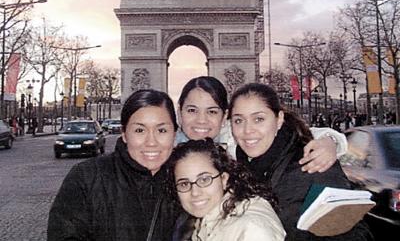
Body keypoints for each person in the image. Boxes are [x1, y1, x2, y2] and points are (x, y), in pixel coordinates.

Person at [229, 83, 374, 240]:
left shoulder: (315, 164)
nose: (247, 130)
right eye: (238, 121)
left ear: (279, 120)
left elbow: (356, 234)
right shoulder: (239, 168)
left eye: (258, 119)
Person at [47, 89, 180, 241]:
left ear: (174, 134)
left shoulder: (188, 183)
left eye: (162, 130)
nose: (151, 142)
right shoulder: (86, 178)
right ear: (124, 133)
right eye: (139, 130)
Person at [176, 76, 347, 173]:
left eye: (212, 111)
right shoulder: (163, 144)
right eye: (191, 110)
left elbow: (299, 135)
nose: (201, 120)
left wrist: (329, 141)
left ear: (224, 117)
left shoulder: (235, 137)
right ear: (179, 112)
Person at [166, 138, 286, 240]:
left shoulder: (251, 228)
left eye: (204, 180)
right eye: (184, 184)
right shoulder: (206, 220)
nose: (195, 192)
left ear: (224, 179)